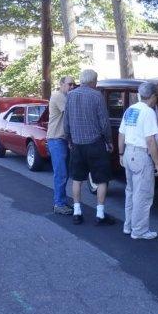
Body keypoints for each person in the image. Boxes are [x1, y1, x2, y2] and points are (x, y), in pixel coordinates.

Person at [64, 69, 115, 225]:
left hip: (77, 144)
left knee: (77, 179)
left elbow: (66, 122)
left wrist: (69, 140)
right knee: (101, 179)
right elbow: (104, 122)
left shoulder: (70, 95)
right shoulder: (97, 96)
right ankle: (100, 214)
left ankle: (77, 212)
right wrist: (109, 141)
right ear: (93, 81)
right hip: (95, 144)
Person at [118, 82, 158, 240]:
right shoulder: (148, 112)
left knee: (130, 191)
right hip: (141, 155)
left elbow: (121, 134)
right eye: (156, 96)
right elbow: (151, 141)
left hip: (128, 153)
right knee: (142, 195)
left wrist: (120, 154)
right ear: (152, 96)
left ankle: (128, 225)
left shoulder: (130, 110)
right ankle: (139, 231)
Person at [46, 75, 76, 215]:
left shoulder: (64, 97)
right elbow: (71, 114)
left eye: (73, 85)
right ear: (61, 84)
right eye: (69, 84)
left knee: (64, 173)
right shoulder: (59, 96)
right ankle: (59, 204)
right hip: (56, 140)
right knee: (61, 174)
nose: (72, 87)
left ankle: (61, 201)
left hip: (61, 140)